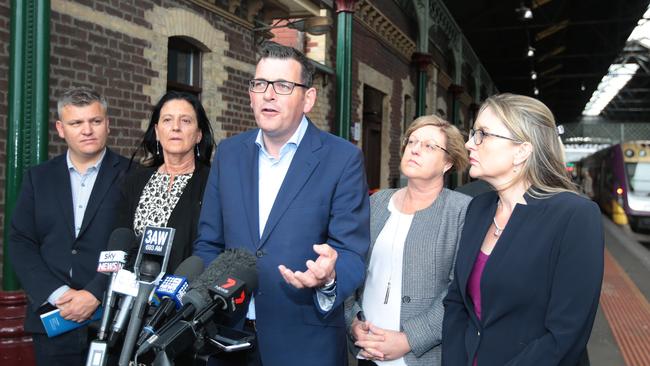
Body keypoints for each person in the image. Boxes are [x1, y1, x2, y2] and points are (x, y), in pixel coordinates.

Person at [193, 41, 370, 365]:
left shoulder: (342, 159)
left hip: (305, 345)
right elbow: (209, 242)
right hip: (228, 339)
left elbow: (351, 253)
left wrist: (328, 278)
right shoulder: (229, 155)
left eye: (283, 85)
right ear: (250, 94)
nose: (268, 94)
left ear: (308, 98)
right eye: (259, 84)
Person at [442, 93, 604, 366]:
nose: (470, 143)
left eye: (482, 134)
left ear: (522, 151)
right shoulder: (478, 209)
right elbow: (457, 303)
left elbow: (565, 335)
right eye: (473, 133)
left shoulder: (575, 216)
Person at [8, 87, 130, 365]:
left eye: (95, 121)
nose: (87, 130)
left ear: (107, 124)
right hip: (53, 319)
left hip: (111, 320)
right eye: (76, 123)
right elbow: (20, 242)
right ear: (61, 129)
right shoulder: (38, 179)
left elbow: (133, 242)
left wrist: (95, 293)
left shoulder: (131, 175)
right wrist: (60, 295)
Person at [346, 115, 471, 366]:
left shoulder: (461, 211)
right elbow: (352, 262)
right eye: (412, 141)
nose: (415, 149)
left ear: (448, 162)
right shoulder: (376, 203)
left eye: (429, 146)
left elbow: (458, 289)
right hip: (367, 351)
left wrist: (409, 339)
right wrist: (352, 321)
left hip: (421, 357)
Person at [115, 91, 214, 272]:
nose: (175, 127)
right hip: (131, 294)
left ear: (199, 134)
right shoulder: (134, 181)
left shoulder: (212, 183)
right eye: (167, 120)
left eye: (185, 121)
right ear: (157, 132)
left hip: (182, 294)